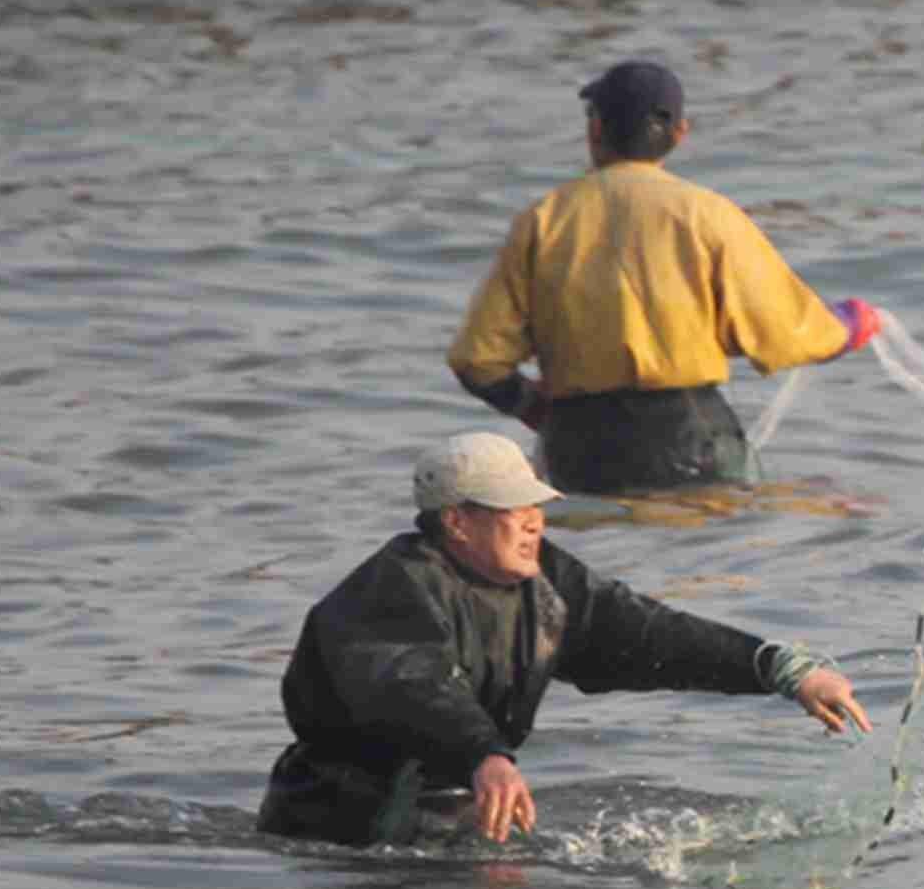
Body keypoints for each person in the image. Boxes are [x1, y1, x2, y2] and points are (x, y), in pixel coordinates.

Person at [257, 431, 872, 848]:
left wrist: (778, 668)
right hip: (344, 821)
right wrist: (485, 756)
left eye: (536, 505)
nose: (532, 522)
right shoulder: (390, 591)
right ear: (457, 522)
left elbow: (647, 633)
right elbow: (414, 686)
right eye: (511, 509)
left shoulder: (546, 582)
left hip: (463, 797)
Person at [447, 58, 882, 495]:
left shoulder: (542, 222)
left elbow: (477, 361)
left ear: (595, 129)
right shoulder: (706, 214)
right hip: (690, 437)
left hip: (578, 448)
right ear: (679, 134)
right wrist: (845, 327)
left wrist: (535, 408)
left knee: (595, 556)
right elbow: (784, 332)